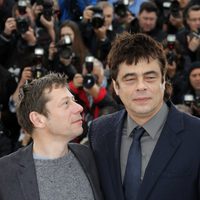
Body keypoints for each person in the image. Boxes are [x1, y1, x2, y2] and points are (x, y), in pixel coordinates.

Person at [88, 32, 200, 200]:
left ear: (163, 81)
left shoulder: (196, 134)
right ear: (116, 86)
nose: (141, 86)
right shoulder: (99, 132)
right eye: (130, 79)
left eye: (150, 77)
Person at [0, 73, 103, 200]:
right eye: (66, 103)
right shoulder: (5, 172)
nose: (79, 108)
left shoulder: (87, 156)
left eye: (74, 100)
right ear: (38, 119)